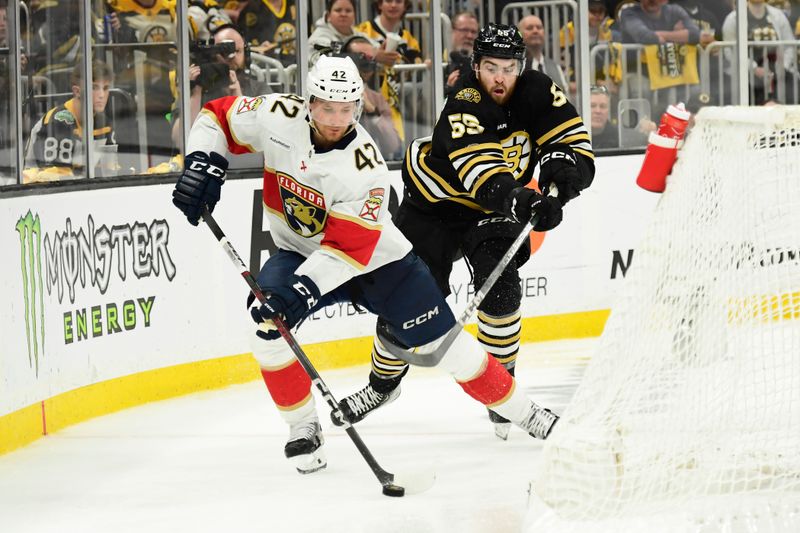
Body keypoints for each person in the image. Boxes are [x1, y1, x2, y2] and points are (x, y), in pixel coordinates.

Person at [171, 55, 562, 473]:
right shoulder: (276, 115)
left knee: (445, 346)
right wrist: (202, 161)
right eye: (326, 108)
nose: (337, 120)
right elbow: (216, 118)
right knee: (267, 330)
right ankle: (303, 429)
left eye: (347, 109)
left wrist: (298, 292)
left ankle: (529, 414)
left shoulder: (365, 166)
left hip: (379, 264)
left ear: (358, 106)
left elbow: (346, 249)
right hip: (299, 253)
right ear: (309, 101)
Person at [335, 23, 594, 439]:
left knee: (501, 285)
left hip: (493, 206)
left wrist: (560, 184)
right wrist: (522, 199)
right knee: (406, 300)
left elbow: (571, 142)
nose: (499, 77)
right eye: (490, 66)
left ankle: (503, 395)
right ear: (476, 66)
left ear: (520, 67)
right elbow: (483, 174)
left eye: (508, 68)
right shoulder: (465, 100)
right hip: (435, 204)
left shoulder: (539, 90)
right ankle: (382, 386)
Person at [170, 25, 270, 146]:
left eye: (237, 51)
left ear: (246, 55)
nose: (231, 57)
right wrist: (195, 91)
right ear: (212, 53)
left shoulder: (258, 89)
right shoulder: (196, 88)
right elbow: (178, 140)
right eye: (223, 51)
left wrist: (237, 96)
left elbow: (264, 135)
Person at [23, 61, 118, 183]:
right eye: (94, 87)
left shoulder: (105, 124)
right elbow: (56, 180)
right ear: (77, 91)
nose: (101, 95)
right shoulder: (58, 121)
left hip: (84, 189)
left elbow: (110, 172)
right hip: (38, 191)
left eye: (105, 88)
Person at [722, 0, 797, 105]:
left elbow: (789, 44)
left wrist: (783, 66)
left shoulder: (777, 15)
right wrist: (753, 68)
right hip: (747, 76)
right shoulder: (733, 19)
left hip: (778, 72)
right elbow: (730, 51)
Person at [339, 35, 403, 159]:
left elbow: (393, 145)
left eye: (372, 58)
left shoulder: (377, 99)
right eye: (362, 57)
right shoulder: (328, 96)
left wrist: (373, 112)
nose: (368, 64)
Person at [308, 0, 375, 67]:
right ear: (328, 15)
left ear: (355, 15)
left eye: (348, 11)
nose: (343, 14)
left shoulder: (360, 35)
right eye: (338, 10)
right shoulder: (318, 38)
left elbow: (378, 53)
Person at [234, 0, 297, 67]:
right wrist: (259, 49)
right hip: (269, 69)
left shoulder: (296, 4)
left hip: (296, 65)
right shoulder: (251, 9)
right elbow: (244, 45)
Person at [517, 15, 569, 91]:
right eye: (529, 28)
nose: (535, 31)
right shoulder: (514, 68)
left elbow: (565, 97)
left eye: (539, 27)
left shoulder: (555, 67)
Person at [445, 11, 479, 96]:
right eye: (464, 30)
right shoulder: (437, 59)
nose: (469, 36)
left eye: (473, 32)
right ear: (452, 31)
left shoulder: (481, 62)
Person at [590, 85, 618, 149]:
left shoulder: (619, 137)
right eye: (592, 106)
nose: (598, 111)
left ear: (608, 110)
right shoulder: (572, 137)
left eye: (603, 106)